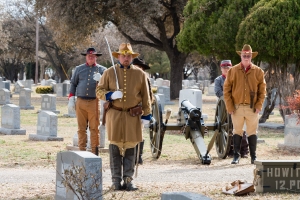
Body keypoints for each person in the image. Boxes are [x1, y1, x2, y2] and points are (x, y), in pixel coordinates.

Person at [96, 43, 152, 191]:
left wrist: (147, 115)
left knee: (131, 147)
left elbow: (147, 97)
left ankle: (128, 180)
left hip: (133, 115)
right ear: (119, 56)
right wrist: (110, 95)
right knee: (114, 147)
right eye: (123, 55)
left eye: (128, 56)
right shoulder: (109, 72)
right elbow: (99, 90)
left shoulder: (140, 74)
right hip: (114, 114)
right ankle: (115, 181)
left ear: (132, 57)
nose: (126, 58)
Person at [223, 44, 266, 164]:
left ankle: (253, 156)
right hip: (237, 107)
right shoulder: (233, 71)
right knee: (237, 131)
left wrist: (259, 105)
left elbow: (263, 91)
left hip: (252, 108)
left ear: (251, 56)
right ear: (241, 56)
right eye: (244, 55)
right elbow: (226, 90)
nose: (246, 57)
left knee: (252, 132)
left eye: (248, 55)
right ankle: (236, 156)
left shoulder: (258, 72)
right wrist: (230, 106)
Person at [68, 47, 107, 155]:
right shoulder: (79, 69)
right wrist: (71, 98)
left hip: (94, 102)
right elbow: (73, 84)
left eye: (93, 56)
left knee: (94, 129)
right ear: (86, 57)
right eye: (89, 56)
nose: (91, 58)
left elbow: (107, 86)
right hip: (80, 102)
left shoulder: (102, 70)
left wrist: (101, 80)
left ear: (96, 57)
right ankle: (82, 152)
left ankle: (95, 152)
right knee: (81, 129)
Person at [214, 60, 249, 158]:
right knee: (227, 130)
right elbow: (218, 92)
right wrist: (229, 99)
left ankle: (244, 151)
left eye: (228, 68)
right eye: (224, 68)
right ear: (221, 69)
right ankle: (229, 151)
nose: (226, 69)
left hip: (237, 106)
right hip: (224, 109)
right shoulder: (218, 80)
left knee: (240, 128)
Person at [132, 57, 153, 165]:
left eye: (140, 67)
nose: (138, 69)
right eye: (136, 66)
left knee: (140, 133)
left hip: (140, 109)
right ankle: (130, 155)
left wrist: (146, 112)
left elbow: (149, 96)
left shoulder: (145, 78)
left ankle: (138, 155)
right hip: (128, 109)